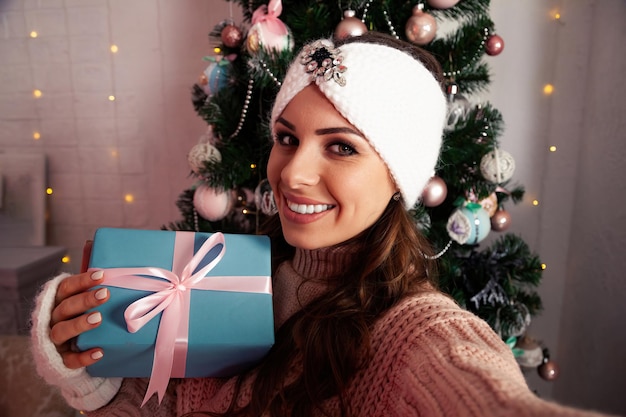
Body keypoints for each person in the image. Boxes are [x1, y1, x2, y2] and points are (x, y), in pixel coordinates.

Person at [31, 32, 613, 417]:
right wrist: (83, 360)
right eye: (288, 139)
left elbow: (485, 397)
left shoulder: (413, 333)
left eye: (341, 148)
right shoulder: (219, 273)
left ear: (397, 180)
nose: (293, 174)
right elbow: (150, 401)